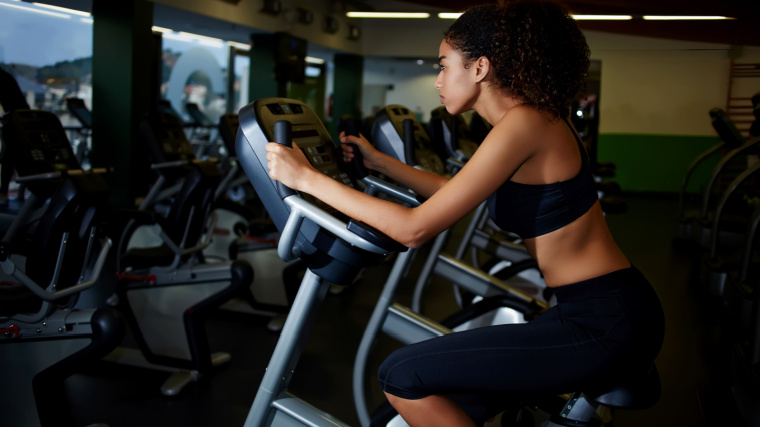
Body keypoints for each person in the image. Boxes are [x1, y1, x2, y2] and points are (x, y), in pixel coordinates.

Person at [264, 0, 665, 425]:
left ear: (480, 68)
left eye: (444, 66)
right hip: (603, 311)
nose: (437, 80)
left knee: (400, 376)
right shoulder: (532, 120)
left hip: (602, 322)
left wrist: (305, 178)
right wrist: (383, 163)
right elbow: (459, 192)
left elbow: (414, 229)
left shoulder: (524, 124)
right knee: (460, 397)